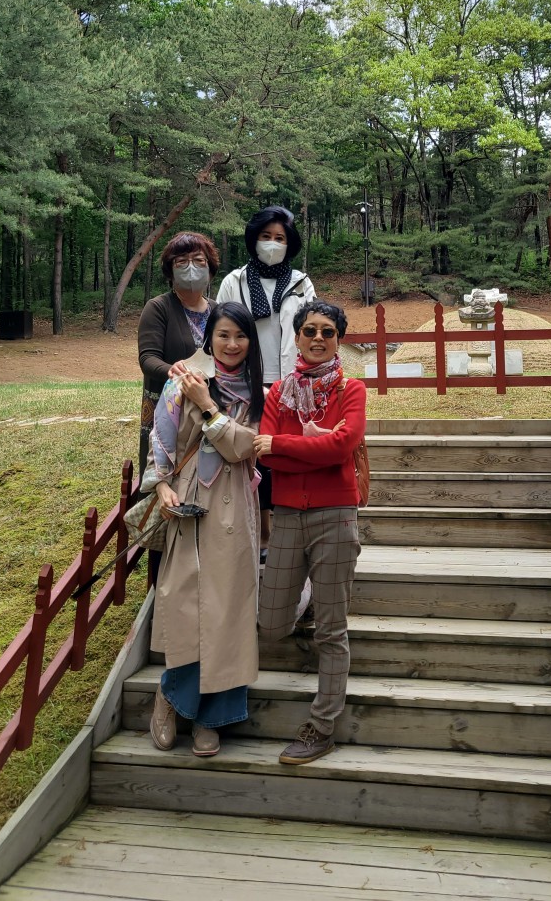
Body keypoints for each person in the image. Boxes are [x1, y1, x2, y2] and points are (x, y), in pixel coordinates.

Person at [143, 301, 264, 757]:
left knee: (229, 609)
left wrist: (209, 406)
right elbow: (160, 440)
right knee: (189, 603)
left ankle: (213, 718)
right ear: (208, 339)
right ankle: (172, 697)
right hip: (189, 502)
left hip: (235, 504)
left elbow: (242, 448)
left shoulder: (259, 391)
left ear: (251, 341)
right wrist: (161, 488)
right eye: (223, 335)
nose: (232, 344)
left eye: (240, 336)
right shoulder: (180, 383)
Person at [254, 298, 366, 765]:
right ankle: (310, 596)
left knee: (332, 632)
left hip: (335, 514)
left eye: (328, 331)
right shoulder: (278, 393)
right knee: (271, 623)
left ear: (339, 339)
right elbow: (264, 455)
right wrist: (313, 444)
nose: (318, 338)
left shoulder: (351, 389)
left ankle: (322, 727)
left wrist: (285, 445)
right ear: (296, 337)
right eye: (309, 330)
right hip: (286, 515)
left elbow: (343, 447)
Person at [217, 206, 315, 559]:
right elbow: (219, 329)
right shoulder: (235, 281)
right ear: (253, 239)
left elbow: (311, 331)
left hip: (290, 383)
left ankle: (287, 531)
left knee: (284, 455)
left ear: (290, 244)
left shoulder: (301, 283)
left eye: (280, 238)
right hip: (244, 382)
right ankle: (259, 532)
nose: (272, 243)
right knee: (252, 456)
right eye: (266, 236)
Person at [137, 232, 219, 478]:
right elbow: (148, 358)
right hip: (167, 406)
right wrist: (172, 371)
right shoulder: (158, 307)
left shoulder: (218, 311)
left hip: (207, 404)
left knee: (205, 473)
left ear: (210, 269)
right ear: (170, 271)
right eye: (181, 261)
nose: (191, 267)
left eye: (199, 260)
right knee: (164, 475)